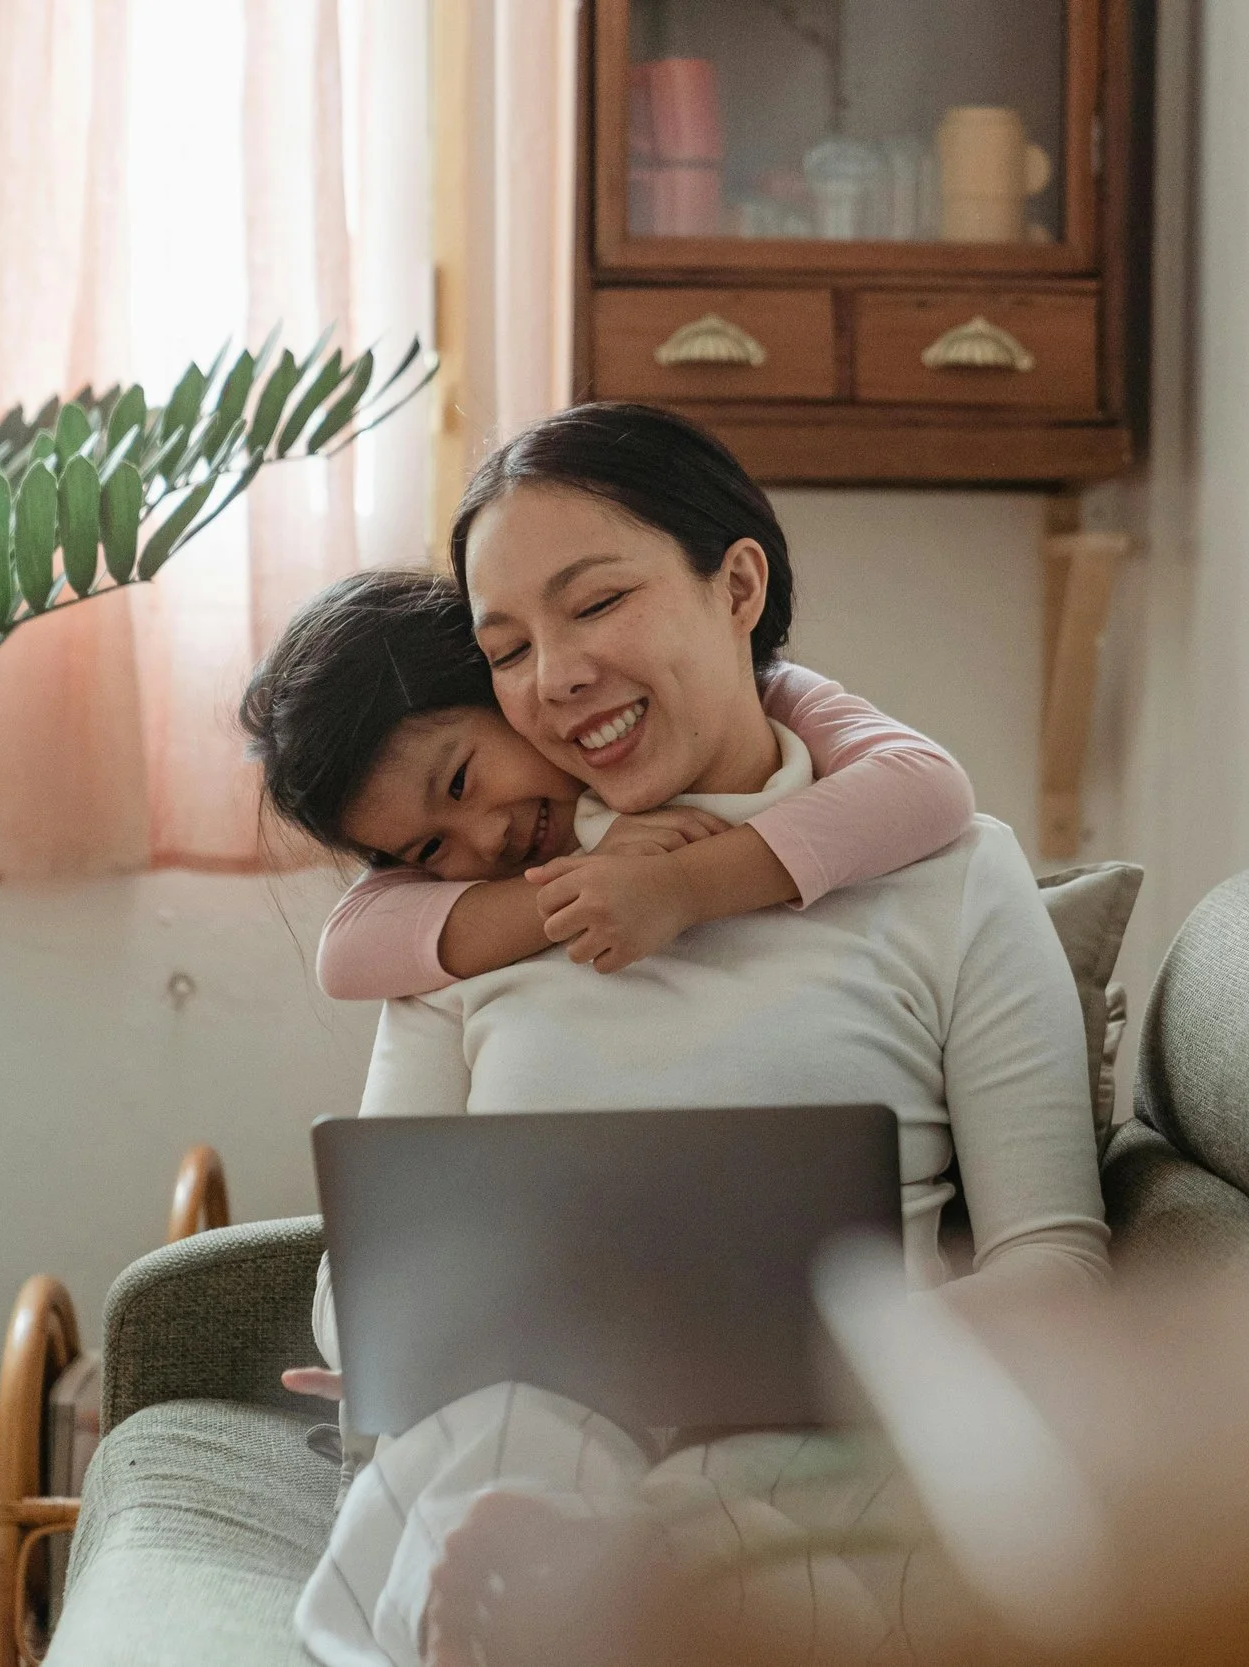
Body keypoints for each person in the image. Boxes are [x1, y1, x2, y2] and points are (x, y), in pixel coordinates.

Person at [244, 404, 1108, 1667]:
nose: (555, 675)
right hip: (525, 1431)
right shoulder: (458, 934)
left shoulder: (948, 875)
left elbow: (1058, 1262)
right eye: (507, 647)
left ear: (737, 582)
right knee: (510, 1437)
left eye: (595, 604)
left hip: (832, 1435)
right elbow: (358, 1288)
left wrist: (876, 1351)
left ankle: (610, 1588)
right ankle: (553, 1585)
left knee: (764, 1513)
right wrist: (405, 1344)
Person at [242, 570, 977, 991]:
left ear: (502, 675)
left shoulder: (755, 693)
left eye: (462, 782)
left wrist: (679, 886)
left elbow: (925, 785)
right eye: (430, 849)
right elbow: (347, 951)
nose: (486, 837)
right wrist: (591, 878)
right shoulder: (491, 873)